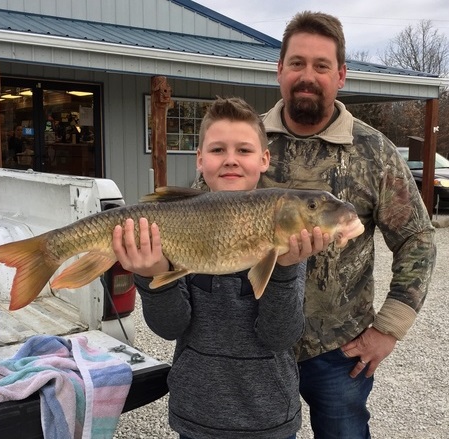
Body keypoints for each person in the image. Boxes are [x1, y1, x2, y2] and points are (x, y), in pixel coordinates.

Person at [259, 11, 436, 439]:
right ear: (279, 69)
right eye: (297, 63)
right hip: (255, 344)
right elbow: (202, 218)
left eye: (321, 66)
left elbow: (417, 237)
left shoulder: (373, 150)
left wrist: (389, 328)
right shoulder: (247, 143)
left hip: (339, 351)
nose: (308, 76)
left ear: (341, 75)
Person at [112, 97, 329, 439]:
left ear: (264, 159)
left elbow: (279, 336)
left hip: (270, 418)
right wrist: (154, 273)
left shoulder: (286, 234)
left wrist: (285, 269)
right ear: (200, 160)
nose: (230, 160)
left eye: (243, 150)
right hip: (196, 416)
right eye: (217, 150)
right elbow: (170, 327)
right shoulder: (174, 222)